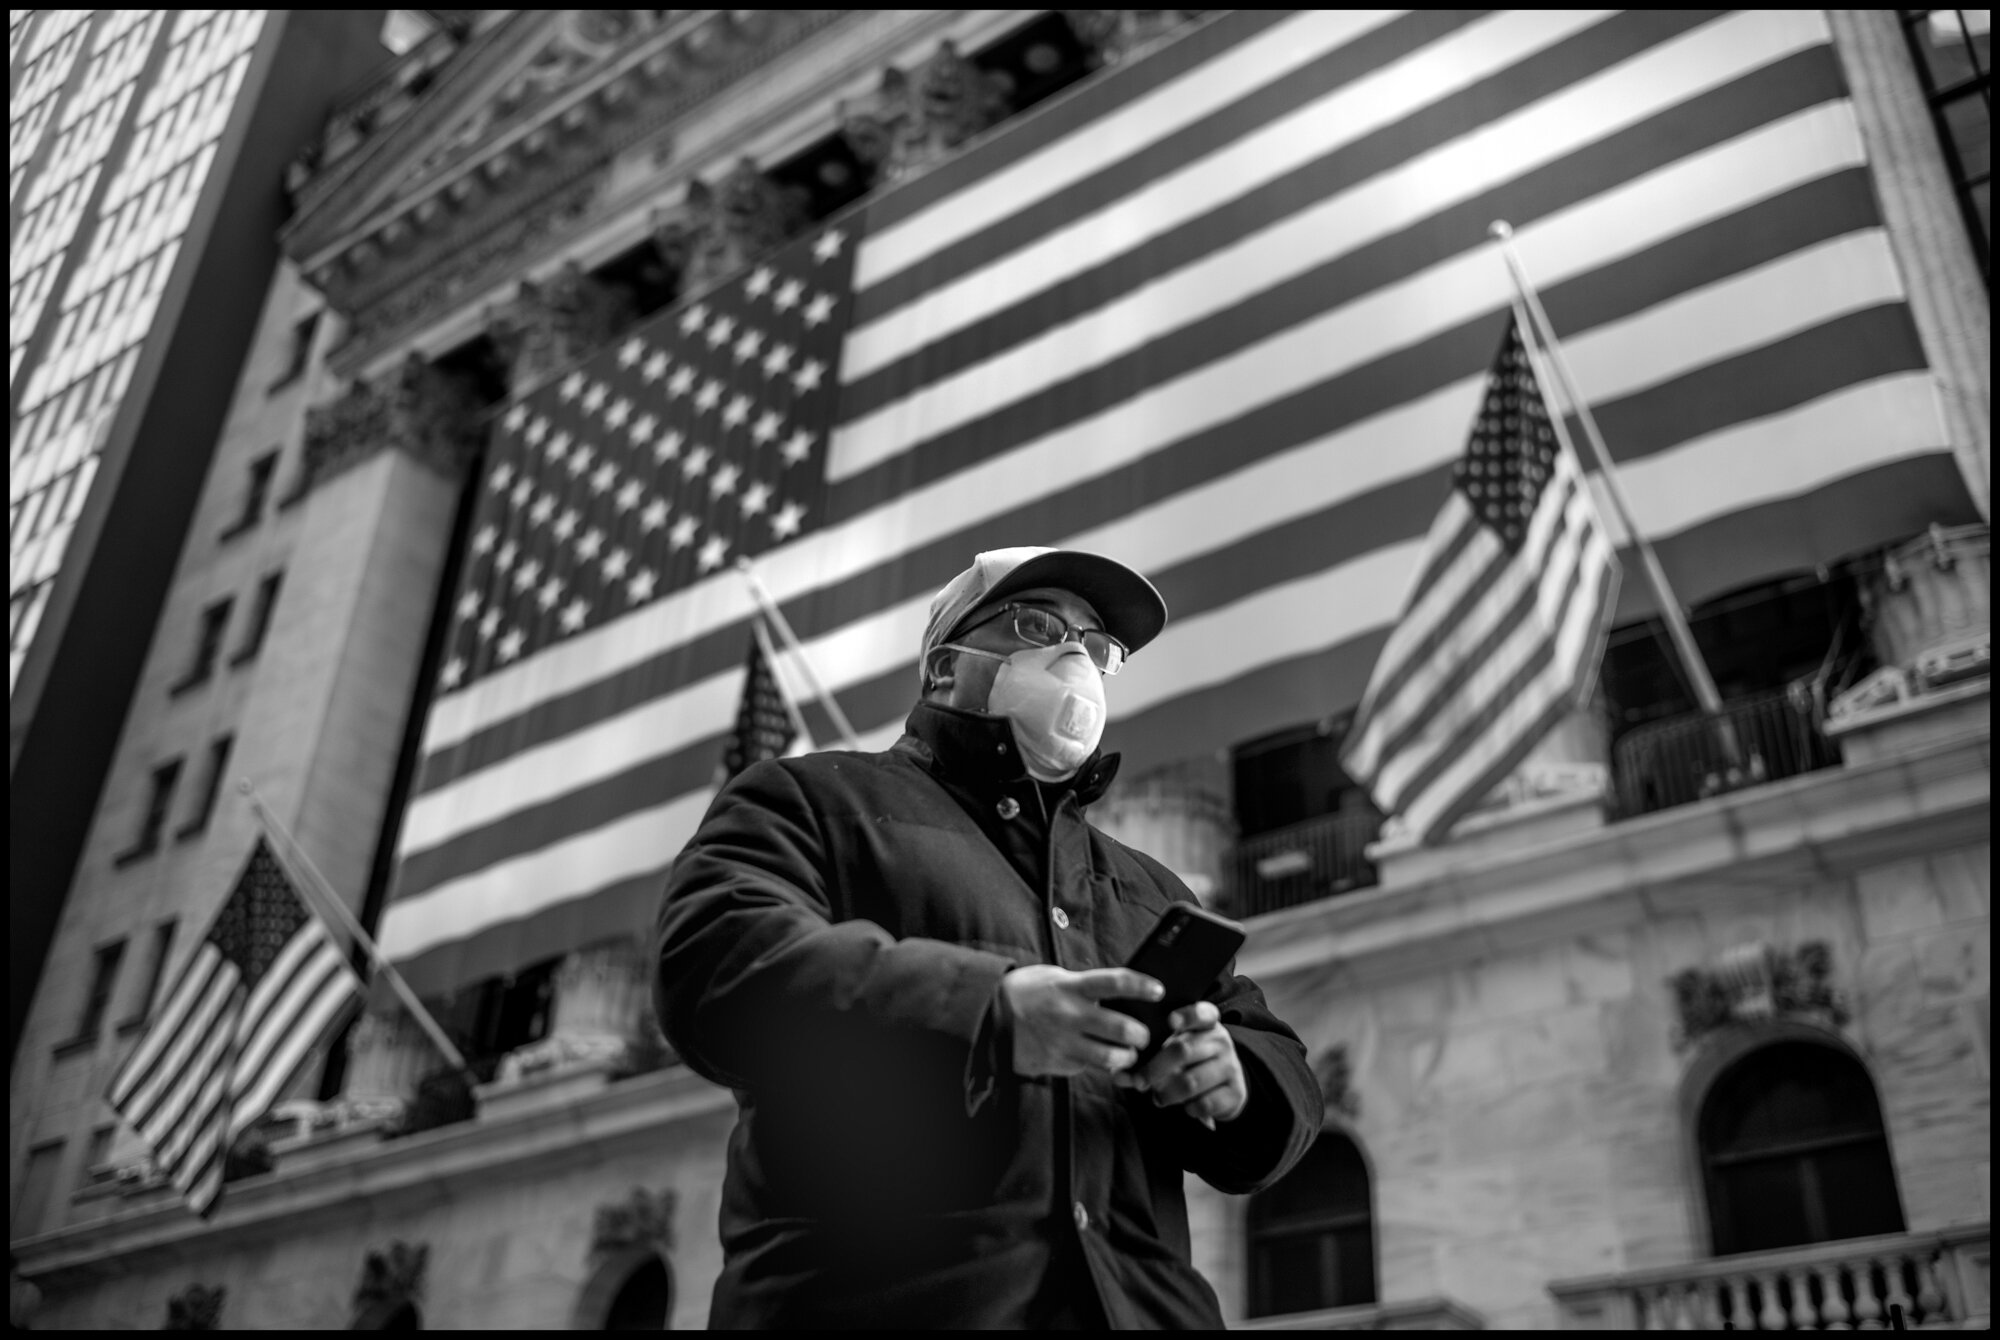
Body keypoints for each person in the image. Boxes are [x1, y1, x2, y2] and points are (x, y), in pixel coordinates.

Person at [653, 546, 1322, 1328]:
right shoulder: (806, 800)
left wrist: (1232, 1080)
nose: (1076, 656)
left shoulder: (1149, 888)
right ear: (944, 668)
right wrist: (990, 1012)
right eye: (1039, 623)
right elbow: (715, 961)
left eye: (1097, 646)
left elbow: (1284, 1069)